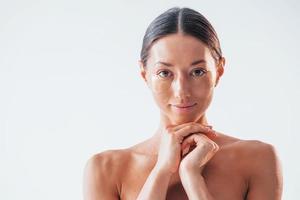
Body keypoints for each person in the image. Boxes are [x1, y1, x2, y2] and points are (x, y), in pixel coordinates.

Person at [83, 7, 283, 200]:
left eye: (197, 72)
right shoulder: (105, 170)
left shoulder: (258, 160)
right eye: (164, 73)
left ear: (219, 71)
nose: (182, 91)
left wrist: (192, 178)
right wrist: (161, 171)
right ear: (144, 74)